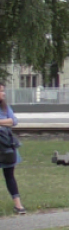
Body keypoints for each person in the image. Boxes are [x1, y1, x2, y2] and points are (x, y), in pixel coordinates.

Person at [0, 83, 24, 215]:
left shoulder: (5, 107)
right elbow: (9, 121)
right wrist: (5, 121)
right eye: (1, 91)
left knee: (9, 176)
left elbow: (14, 121)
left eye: (3, 91)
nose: (3, 94)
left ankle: (19, 206)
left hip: (6, 145)